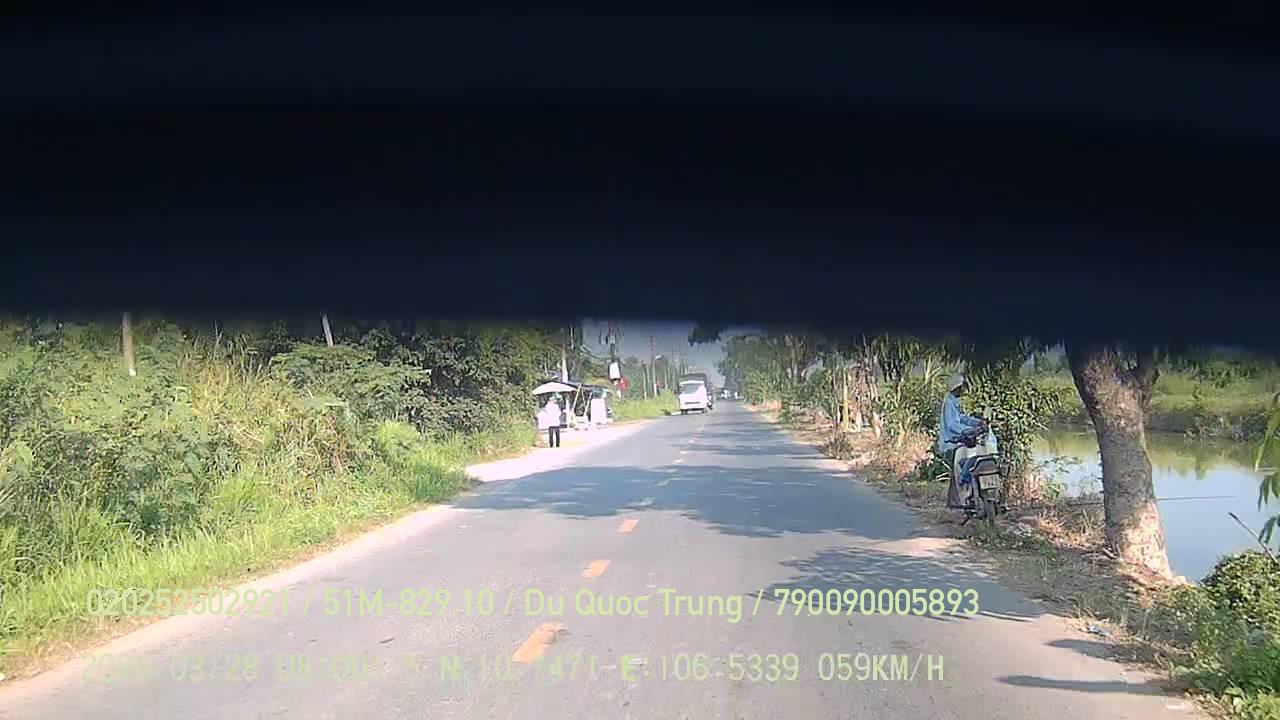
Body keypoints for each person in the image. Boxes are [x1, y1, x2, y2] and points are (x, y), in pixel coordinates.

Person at [938, 373, 985, 505]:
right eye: (963, 387)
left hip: (958, 441)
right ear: (958, 387)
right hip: (951, 442)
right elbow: (953, 425)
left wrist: (977, 423)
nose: (964, 390)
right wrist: (968, 430)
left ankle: (957, 502)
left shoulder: (954, 401)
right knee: (959, 470)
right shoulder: (949, 403)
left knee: (961, 469)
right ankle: (959, 501)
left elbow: (962, 418)